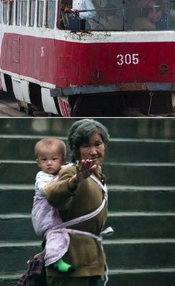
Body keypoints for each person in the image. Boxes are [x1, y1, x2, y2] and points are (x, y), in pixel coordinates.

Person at [44, 119, 112, 285]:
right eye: (86, 146)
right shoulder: (72, 171)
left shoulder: (97, 175)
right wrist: (74, 181)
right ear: (76, 150)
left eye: (98, 144)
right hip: (70, 262)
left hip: (91, 261)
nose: (94, 151)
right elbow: (53, 195)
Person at [31, 138, 74, 274]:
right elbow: (45, 190)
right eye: (44, 160)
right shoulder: (42, 176)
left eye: (54, 159)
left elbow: (73, 168)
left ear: (62, 160)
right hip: (44, 214)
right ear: (38, 163)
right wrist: (63, 185)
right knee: (55, 234)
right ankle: (54, 260)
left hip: (54, 212)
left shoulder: (64, 170)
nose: (49, 163)